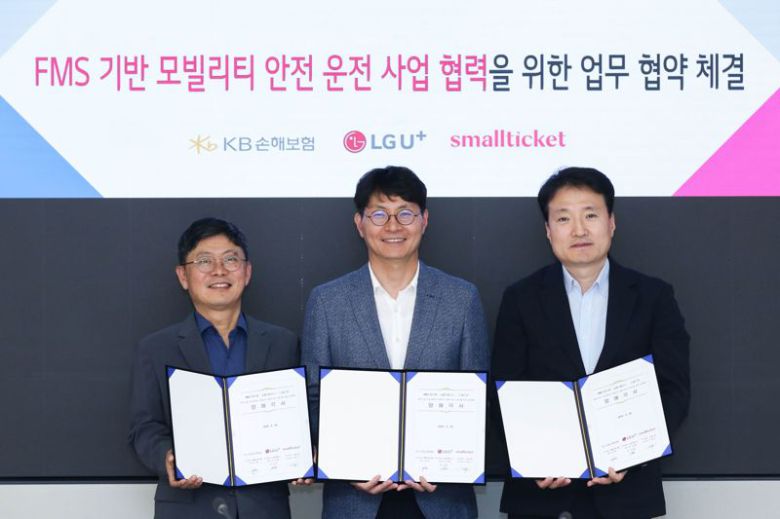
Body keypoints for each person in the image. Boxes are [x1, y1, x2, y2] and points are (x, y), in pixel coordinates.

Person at [492, 167, 690, 519]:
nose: (579, 230)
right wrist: (533, 459)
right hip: (541, 497)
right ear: (548, 230)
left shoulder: (653, 296)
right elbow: (503, 391)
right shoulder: (521, 298)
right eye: (564, 218)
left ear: (611, 222)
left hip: (626, 497)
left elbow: (673, 389)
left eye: (590, 215)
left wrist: (634, 456)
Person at [302, 166, 489, 519]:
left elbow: (477, 399)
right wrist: (342, 464)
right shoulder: (327, 302)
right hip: (355, 500)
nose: (392, 226)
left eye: (405, 213)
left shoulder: (462, 299)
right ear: (359, 223)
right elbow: (314, 397)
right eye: (379, 214)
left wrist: (449, 464)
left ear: (424, 220)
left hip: (440, 499)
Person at [129, 217, 300, 519]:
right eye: (204, 261)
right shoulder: (156, 348)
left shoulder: (283, 343)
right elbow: (145, 428)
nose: (219, 271)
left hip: (264, 508)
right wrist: (168, 457)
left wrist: (303, 453)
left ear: (247, 272)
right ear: (183, 276)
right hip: (188, 507)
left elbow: (300, 419)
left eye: (231, 260)